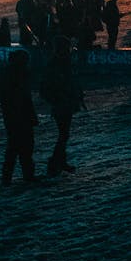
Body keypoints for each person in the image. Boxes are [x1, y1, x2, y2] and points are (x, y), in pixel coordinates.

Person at [41, 36, 86, 176]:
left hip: (66, 101)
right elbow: (48, 87)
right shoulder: (56, 64)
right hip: (61, 102)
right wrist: (58, 98)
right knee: (63, 134)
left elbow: (72, 80)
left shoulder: (64, 62)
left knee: (64, 134)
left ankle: (60, 161)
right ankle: (55, 162)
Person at [0, 49, 39, 185]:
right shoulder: (16, 76)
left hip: (15, 117)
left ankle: (12, 176)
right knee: (20, 147)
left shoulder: (11, 74)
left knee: (17, 147)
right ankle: (23, 175)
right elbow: (20, 99)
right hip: (18, 116)